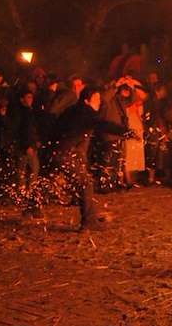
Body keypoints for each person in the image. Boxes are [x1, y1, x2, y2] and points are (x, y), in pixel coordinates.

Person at [52, 86, 132, 231]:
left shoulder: (72, 110)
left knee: (82, 183)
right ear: (87, 101)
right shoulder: (86, 113)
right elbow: (102, 124)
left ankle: (91, 217)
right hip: (66, 154)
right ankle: (89, 221)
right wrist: (125, 131)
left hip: (61, 152)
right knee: (85, 184)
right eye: (96, 99)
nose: (99, 102)